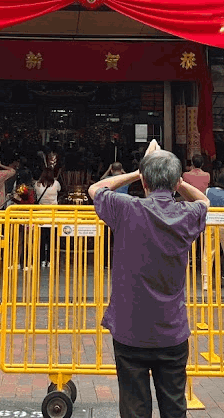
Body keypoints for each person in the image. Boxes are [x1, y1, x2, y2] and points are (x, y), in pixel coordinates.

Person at [88, 140, 209, 418]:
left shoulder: (126, 208)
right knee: (174, 405)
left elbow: (96, 189)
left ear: (144, 182)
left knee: (134, 407)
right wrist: (178, 183)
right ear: (176, 181)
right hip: (172, 329)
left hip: (130, 328)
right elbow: (204, 201)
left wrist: (137, 172)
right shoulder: (187, 214)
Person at [34, 167, 61, 266]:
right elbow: (59, 191)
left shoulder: (37, 184)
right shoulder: (56, 184)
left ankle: (41, 259)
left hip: (41, 214)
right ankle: (50, 260)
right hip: (53, 214)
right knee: (51, 238)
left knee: (42, 238)